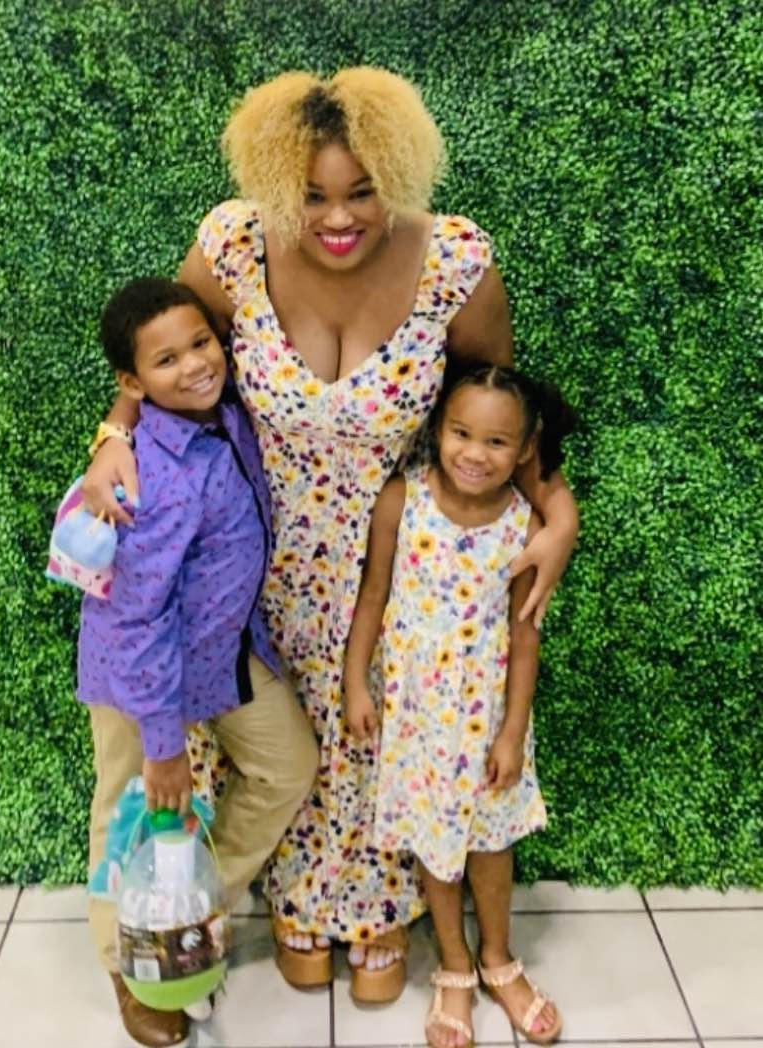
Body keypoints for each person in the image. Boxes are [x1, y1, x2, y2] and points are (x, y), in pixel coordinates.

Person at [82, 68, 579, 1001]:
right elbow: (158, 349)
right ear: (278, 184)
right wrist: (114, 436)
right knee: (284, 736)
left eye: (361, 191)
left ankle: (375, 907)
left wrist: (560, 516)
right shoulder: (232, 243)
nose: (337, 216)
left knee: (375, 726)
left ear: (398, 173)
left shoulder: (456, 262)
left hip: (402, 555)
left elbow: (504, 413)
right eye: (311, 195)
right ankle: (276, 909)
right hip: (254, 554)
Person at [78, 277, 318, 1047]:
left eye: (201, 344)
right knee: (129, 816)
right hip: (136, 678)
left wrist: (110, 428)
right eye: (167, 359)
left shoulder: (223, 415)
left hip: (223, 655)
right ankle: (127, 958)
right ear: (132, 382)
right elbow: (139, 620)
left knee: (287, 767)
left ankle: (189, 908)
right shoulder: (146, 480)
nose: (194, 366)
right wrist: (164, 745)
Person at [344, 361, 575, 1048]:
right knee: (435, 845)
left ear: (526, 448)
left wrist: (512, 733)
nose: (475, 453)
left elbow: (525, 637)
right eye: (461, 433)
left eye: (497, 442)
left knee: (490, 842)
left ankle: (499, 958)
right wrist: (357, 680)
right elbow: (373, 597)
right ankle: (453, 966)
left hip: (487, 720)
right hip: (417, 719)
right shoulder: (401, 500)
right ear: (437, 430)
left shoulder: (524, 526)